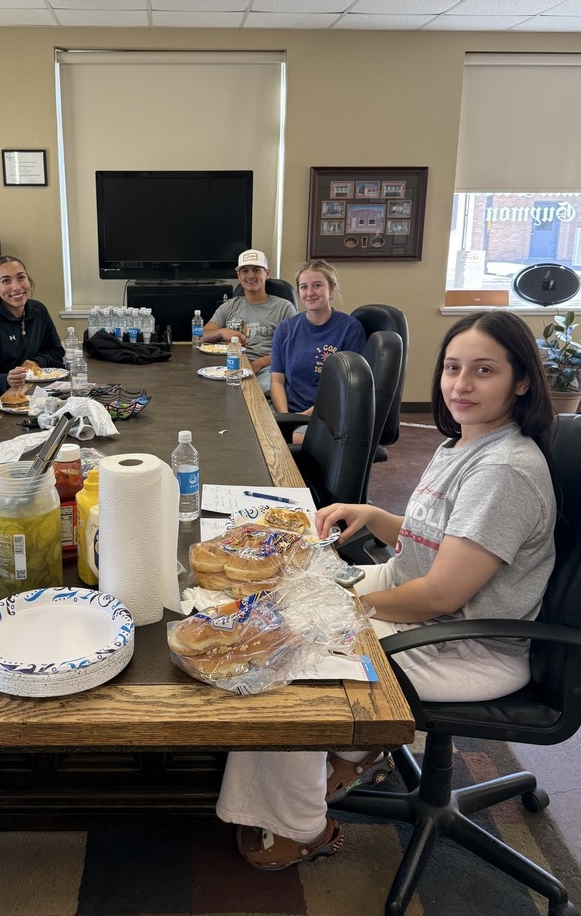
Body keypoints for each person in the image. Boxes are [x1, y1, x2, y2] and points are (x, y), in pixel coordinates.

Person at [217, 310, 557, 870]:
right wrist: (376, 515)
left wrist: (346, 608)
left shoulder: (505, 472)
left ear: (521, 381)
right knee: (283, 591)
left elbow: (442, 596)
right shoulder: (465, 445)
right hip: (420, 598)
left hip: (464, 641)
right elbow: (440, 542)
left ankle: (298, 826)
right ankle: (352, 751)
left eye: (484, 370)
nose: (460, 384)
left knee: (292, 654)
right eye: (452, 367)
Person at [269, 260, 366, 419]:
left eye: (317, 285)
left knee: (277, 442)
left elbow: (345, 389)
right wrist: (285, 419)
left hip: (327, 416)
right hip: (288, 413)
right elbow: (277, 381)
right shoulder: (285, 329)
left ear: (332, 288)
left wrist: (300, 420)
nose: (310, 293)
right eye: (304, 287)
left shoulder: (350, 329)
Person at [0, 255, 64, 402]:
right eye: (6, 281)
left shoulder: (39, 310)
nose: (16, 286)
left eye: (21, 277)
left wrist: (37, 363)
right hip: (1, 403)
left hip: (39, 394)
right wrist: (6, 379)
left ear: (28, 281)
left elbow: (56, 351)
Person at [202, 249, 296, 393]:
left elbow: (293, 350)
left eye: (257, 270)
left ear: (267, 273)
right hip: (232, 364)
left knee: (253, 392)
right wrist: (222, 332)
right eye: (245, 271)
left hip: (269, 368)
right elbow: (201, 335)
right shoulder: (229, 306)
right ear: (239, 275)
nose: (251, 275)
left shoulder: (284, 307)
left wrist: (258, 363)